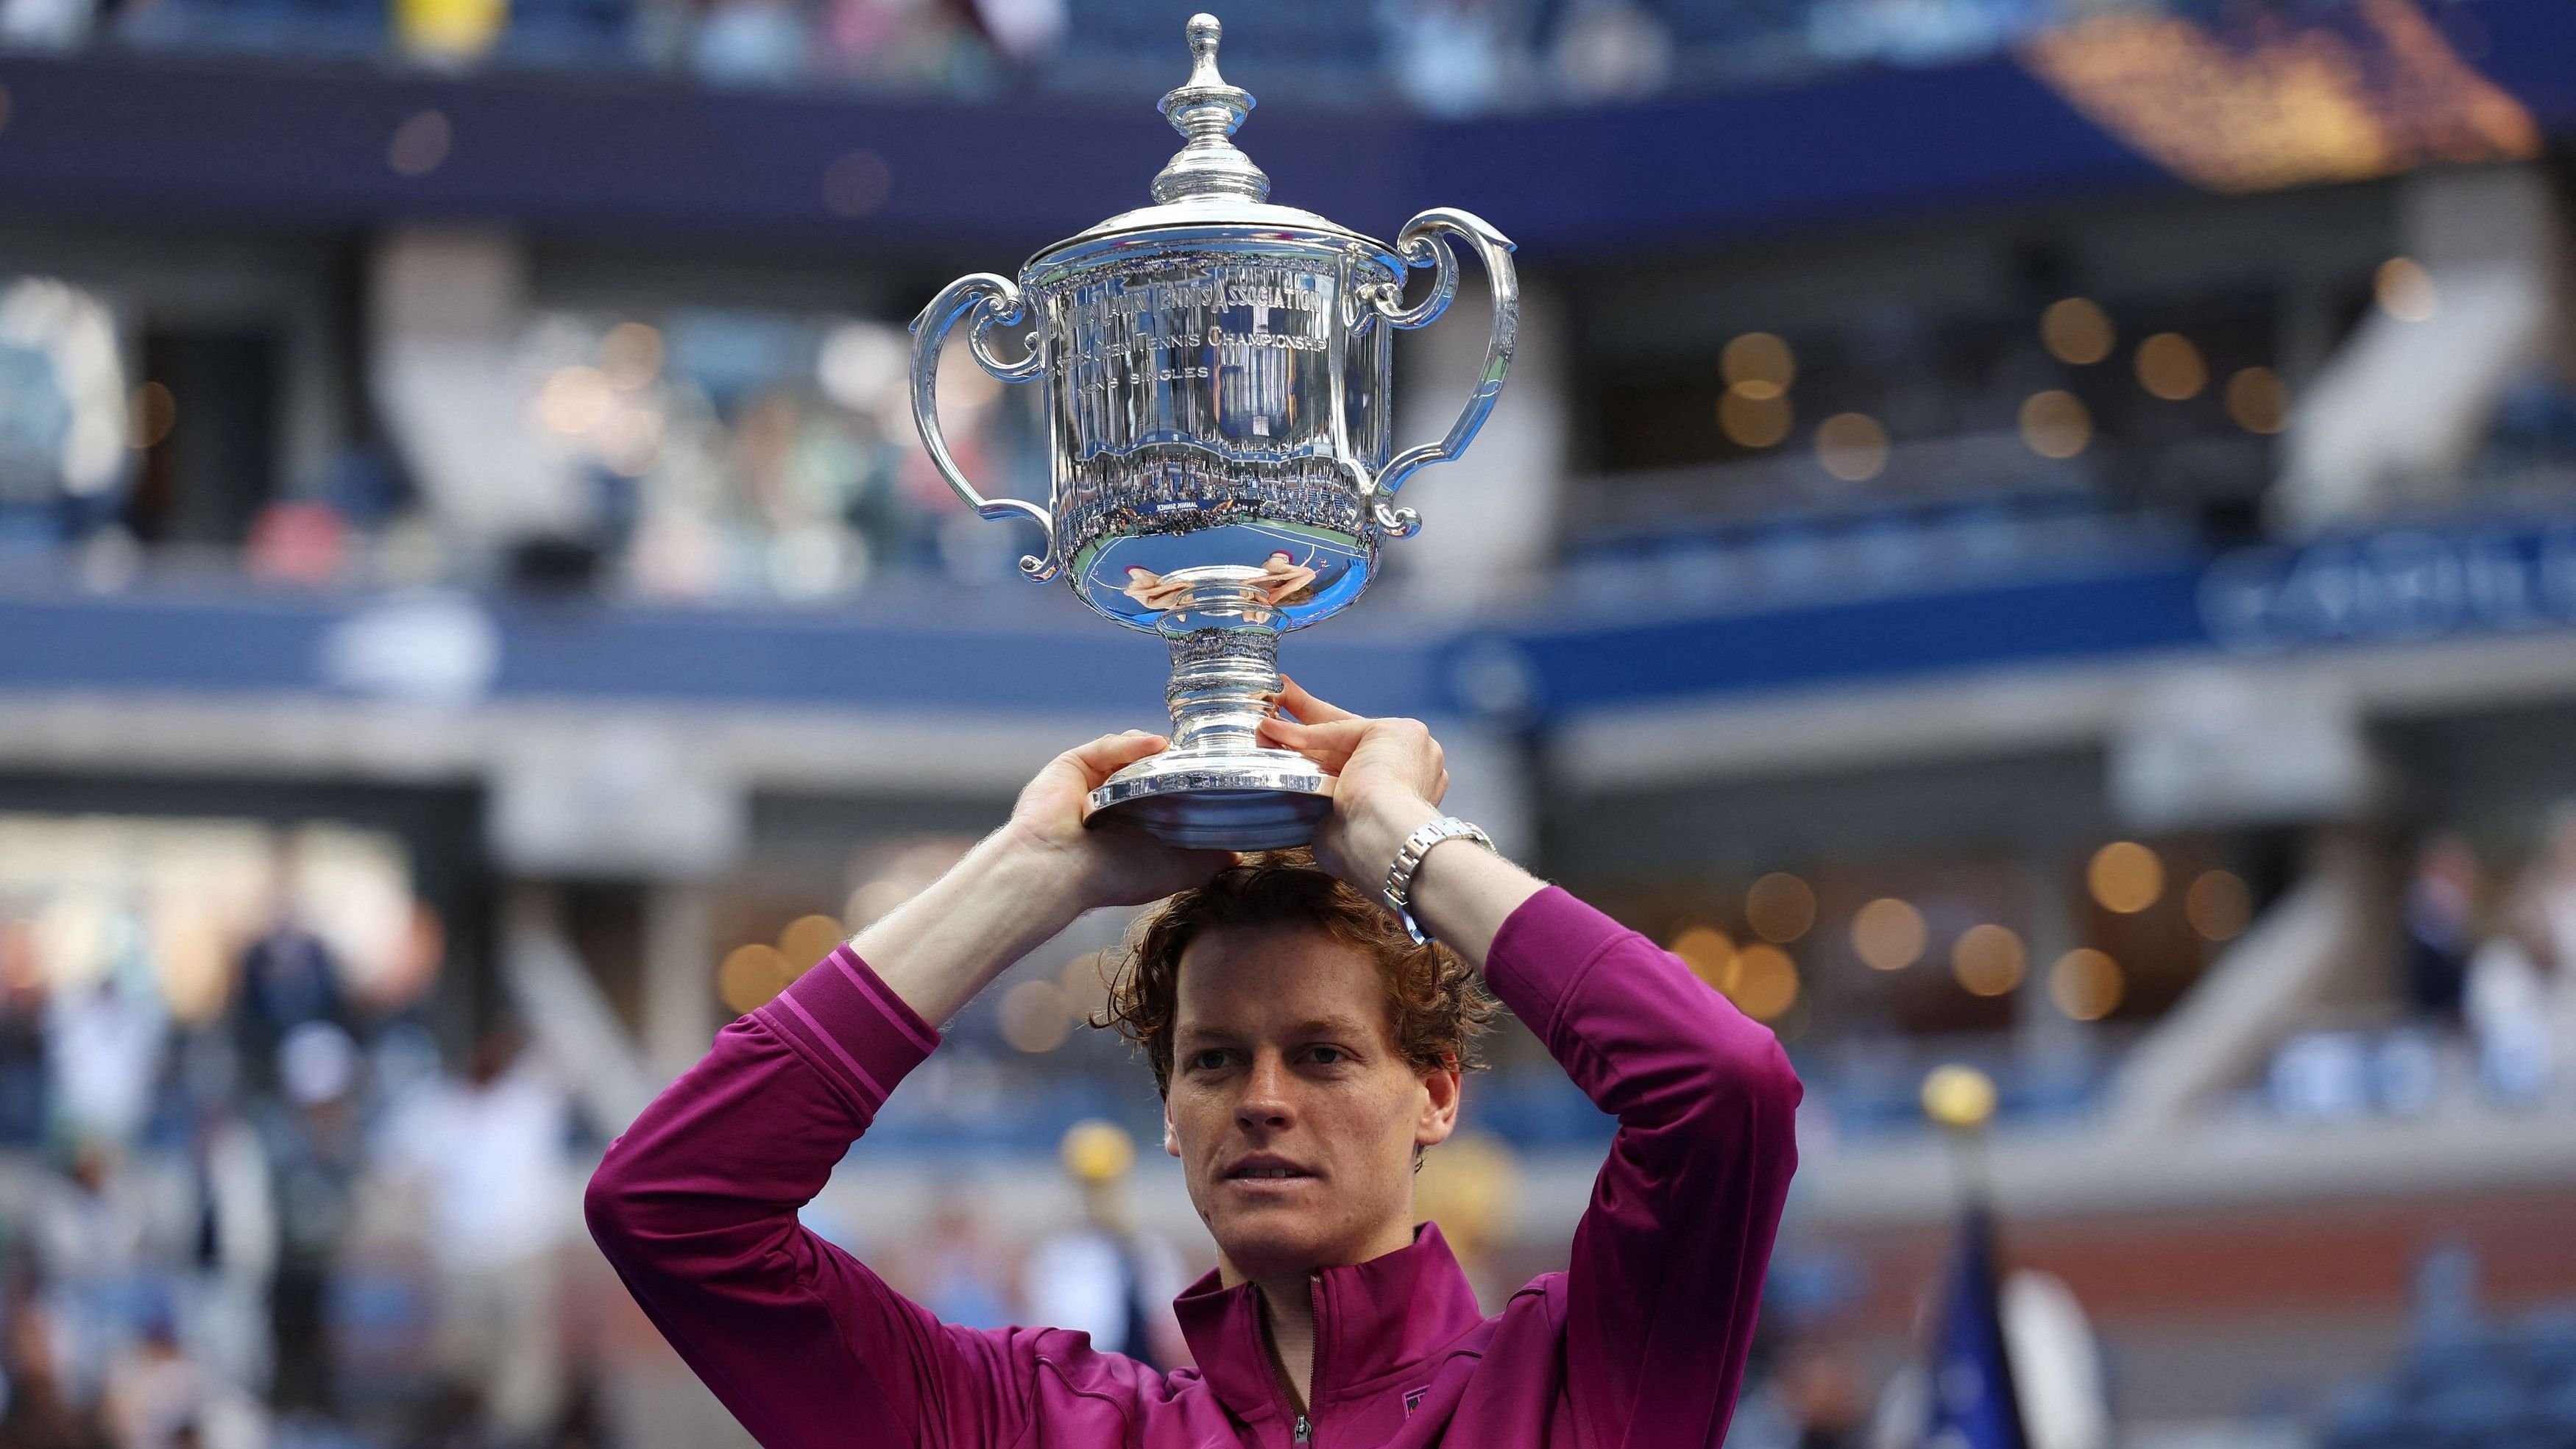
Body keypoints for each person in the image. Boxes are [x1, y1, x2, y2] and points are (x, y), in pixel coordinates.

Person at [587, 681, 1801, 1447]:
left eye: (1323, 1055)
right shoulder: (1031, 1421)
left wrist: (1399, 842)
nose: (1264, 1101)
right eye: (1214, 1059)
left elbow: (1724, 1084)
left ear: (1435, 1092)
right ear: (1170, 1110)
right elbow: (671, 1210)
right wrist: (1032, 875)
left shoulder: (1579, 1383)